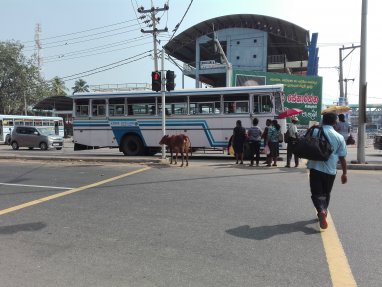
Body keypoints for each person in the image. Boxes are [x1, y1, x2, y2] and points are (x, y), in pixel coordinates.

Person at [307, 112, 347, 229]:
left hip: (315, 167)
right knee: (326, 193)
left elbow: (306, 144)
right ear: (335, 122)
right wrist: (344, 173)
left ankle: (321, 211)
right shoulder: (339, 137)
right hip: (330, 170)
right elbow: (342, 158)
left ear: (323, 121)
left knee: (316, 193)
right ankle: (323, 210)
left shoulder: (315, 131)